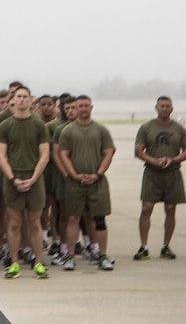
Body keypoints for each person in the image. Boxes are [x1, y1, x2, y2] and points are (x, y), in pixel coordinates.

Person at [0, 86, 51, 280]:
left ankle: (38, 263)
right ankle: (14, 262)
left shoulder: (39, 125)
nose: (21, 100)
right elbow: (1, 155)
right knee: (15, 222)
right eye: (18, 97)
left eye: (25, 97)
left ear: (30, 100)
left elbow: (44, 155)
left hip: (34, 178)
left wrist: (33, 178)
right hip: (12, 178)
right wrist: (12, 179)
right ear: (14, 99)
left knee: (34, 222)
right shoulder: (5, 125)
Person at [57, 95, 116, 270]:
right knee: (73, 218)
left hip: (97, 182)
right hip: (75, 183)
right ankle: (70, 256)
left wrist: (98, 174)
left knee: (99, 219)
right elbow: (63, 155)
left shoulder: (101, 130)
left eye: (85, 105)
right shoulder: (67, 131)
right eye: (79, 106)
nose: (82, 108)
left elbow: (108, 153)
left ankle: (102, 255)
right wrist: (73, 174)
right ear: (74, 108)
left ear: (91, 107)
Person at [133, 96, 186, 261]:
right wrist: (154, 161)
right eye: (162, 106)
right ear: (156, 108)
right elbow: (138, 150)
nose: (165, 109)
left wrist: (172, 160)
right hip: (151, 173)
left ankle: (166, 246)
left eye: (168, 106)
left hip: (172, 173)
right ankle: (144, 247)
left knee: (171, 209)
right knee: (146, 208)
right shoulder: (146, 127)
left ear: (172, 109)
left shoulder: (179, 129)